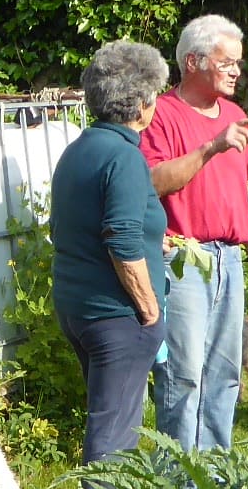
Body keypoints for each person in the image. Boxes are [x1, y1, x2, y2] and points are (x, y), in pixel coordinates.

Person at [141, 15, 248, 453]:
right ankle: (175, 481)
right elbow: (154, 181)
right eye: (227, 62)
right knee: (183, 373)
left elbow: (243, 192)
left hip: (229, 260)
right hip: (182, 258)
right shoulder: (161, 113)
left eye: (239, 63)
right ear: (194, 61)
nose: (237, 71)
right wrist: (211, 146)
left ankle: (215, 476)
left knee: (224, 372)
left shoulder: (236, 116)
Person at [48, 40, 173, 464]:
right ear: (141, 104)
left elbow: (77, 225)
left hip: (78, 308)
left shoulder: (79, 149)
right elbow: (120, 240)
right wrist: (150, 310)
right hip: (116, 316)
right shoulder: (124, 157)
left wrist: (156, 242)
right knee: (114, 434)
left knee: (108, 417)